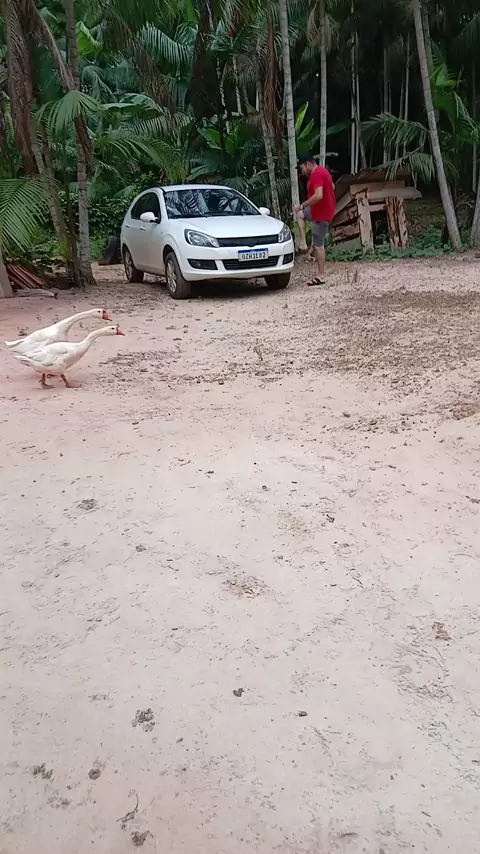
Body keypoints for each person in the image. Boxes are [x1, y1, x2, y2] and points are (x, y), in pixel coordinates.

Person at [293, 154, 336, 286]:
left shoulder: (316, 174)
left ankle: (321, 275)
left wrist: (303, 205)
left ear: (308, 164)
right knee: (300, 214)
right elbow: (332, 186)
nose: (302, 172)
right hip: (317, 210)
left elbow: (318, 195)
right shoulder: (323, 171)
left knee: (319, 245)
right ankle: (304, 243)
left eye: (302, 168)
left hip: (321, 214)